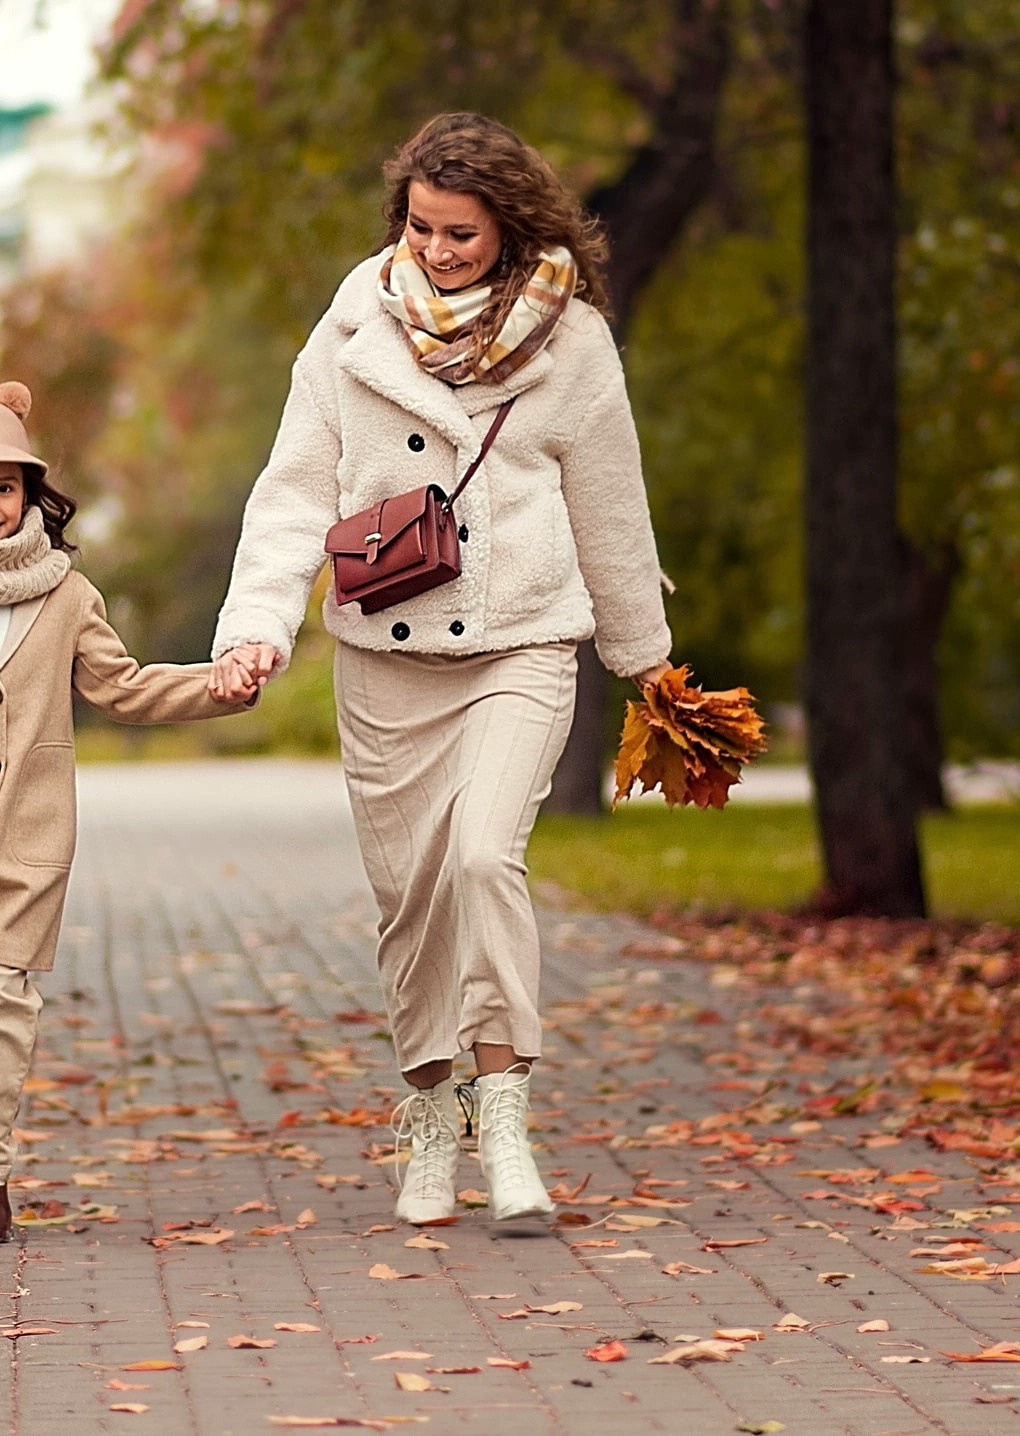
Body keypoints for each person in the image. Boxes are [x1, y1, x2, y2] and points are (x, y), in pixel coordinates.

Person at [209, 113, 673, 1229]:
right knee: (411, 904)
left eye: (459, 232)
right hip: (388, 658)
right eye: (419, 227)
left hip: (521, 639)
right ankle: (428, 1116)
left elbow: (611, 507)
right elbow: (293, 489)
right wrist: (256, 623)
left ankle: (504, 1114)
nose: (435, 249)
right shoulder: (352, 325)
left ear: (511, 225)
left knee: (480, 858)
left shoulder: (573, 341)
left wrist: (648, 661)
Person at [0, 383, 255, 1244]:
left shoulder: (67, 597)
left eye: (5, 487)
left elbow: (122, 687)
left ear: (31, 494)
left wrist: (216, 687)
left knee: (1, 997)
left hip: (32, 830)